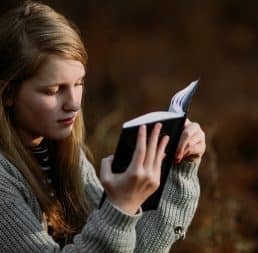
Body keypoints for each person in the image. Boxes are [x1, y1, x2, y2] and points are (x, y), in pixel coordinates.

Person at [0, 1, 205, 252]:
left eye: (79, 83)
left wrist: (179, 169)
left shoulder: (68, 156)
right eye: (53, 90)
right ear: (8, 93)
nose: (74, 104)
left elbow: (135, 249)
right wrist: (120, 206)